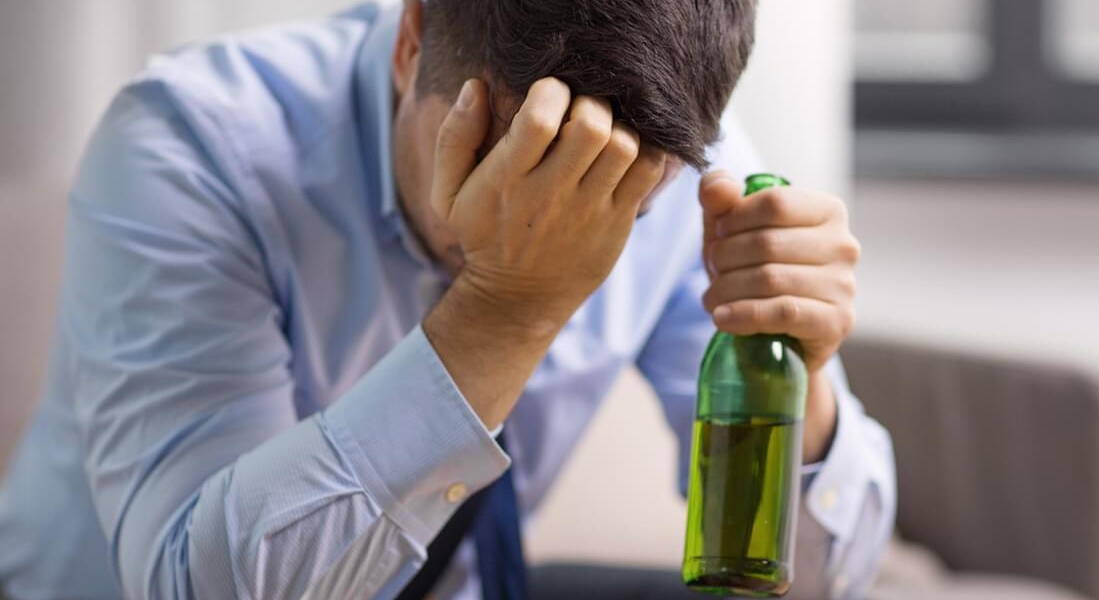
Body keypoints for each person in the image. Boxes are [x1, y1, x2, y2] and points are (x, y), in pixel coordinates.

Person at [0, 1, 895, 598]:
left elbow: (816, 581)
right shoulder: (189, 146)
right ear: (412, 37)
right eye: (496, 163)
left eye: (615, 196)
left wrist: (797, 381)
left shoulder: (679, 161)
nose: (542, 215)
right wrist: (509, 308)